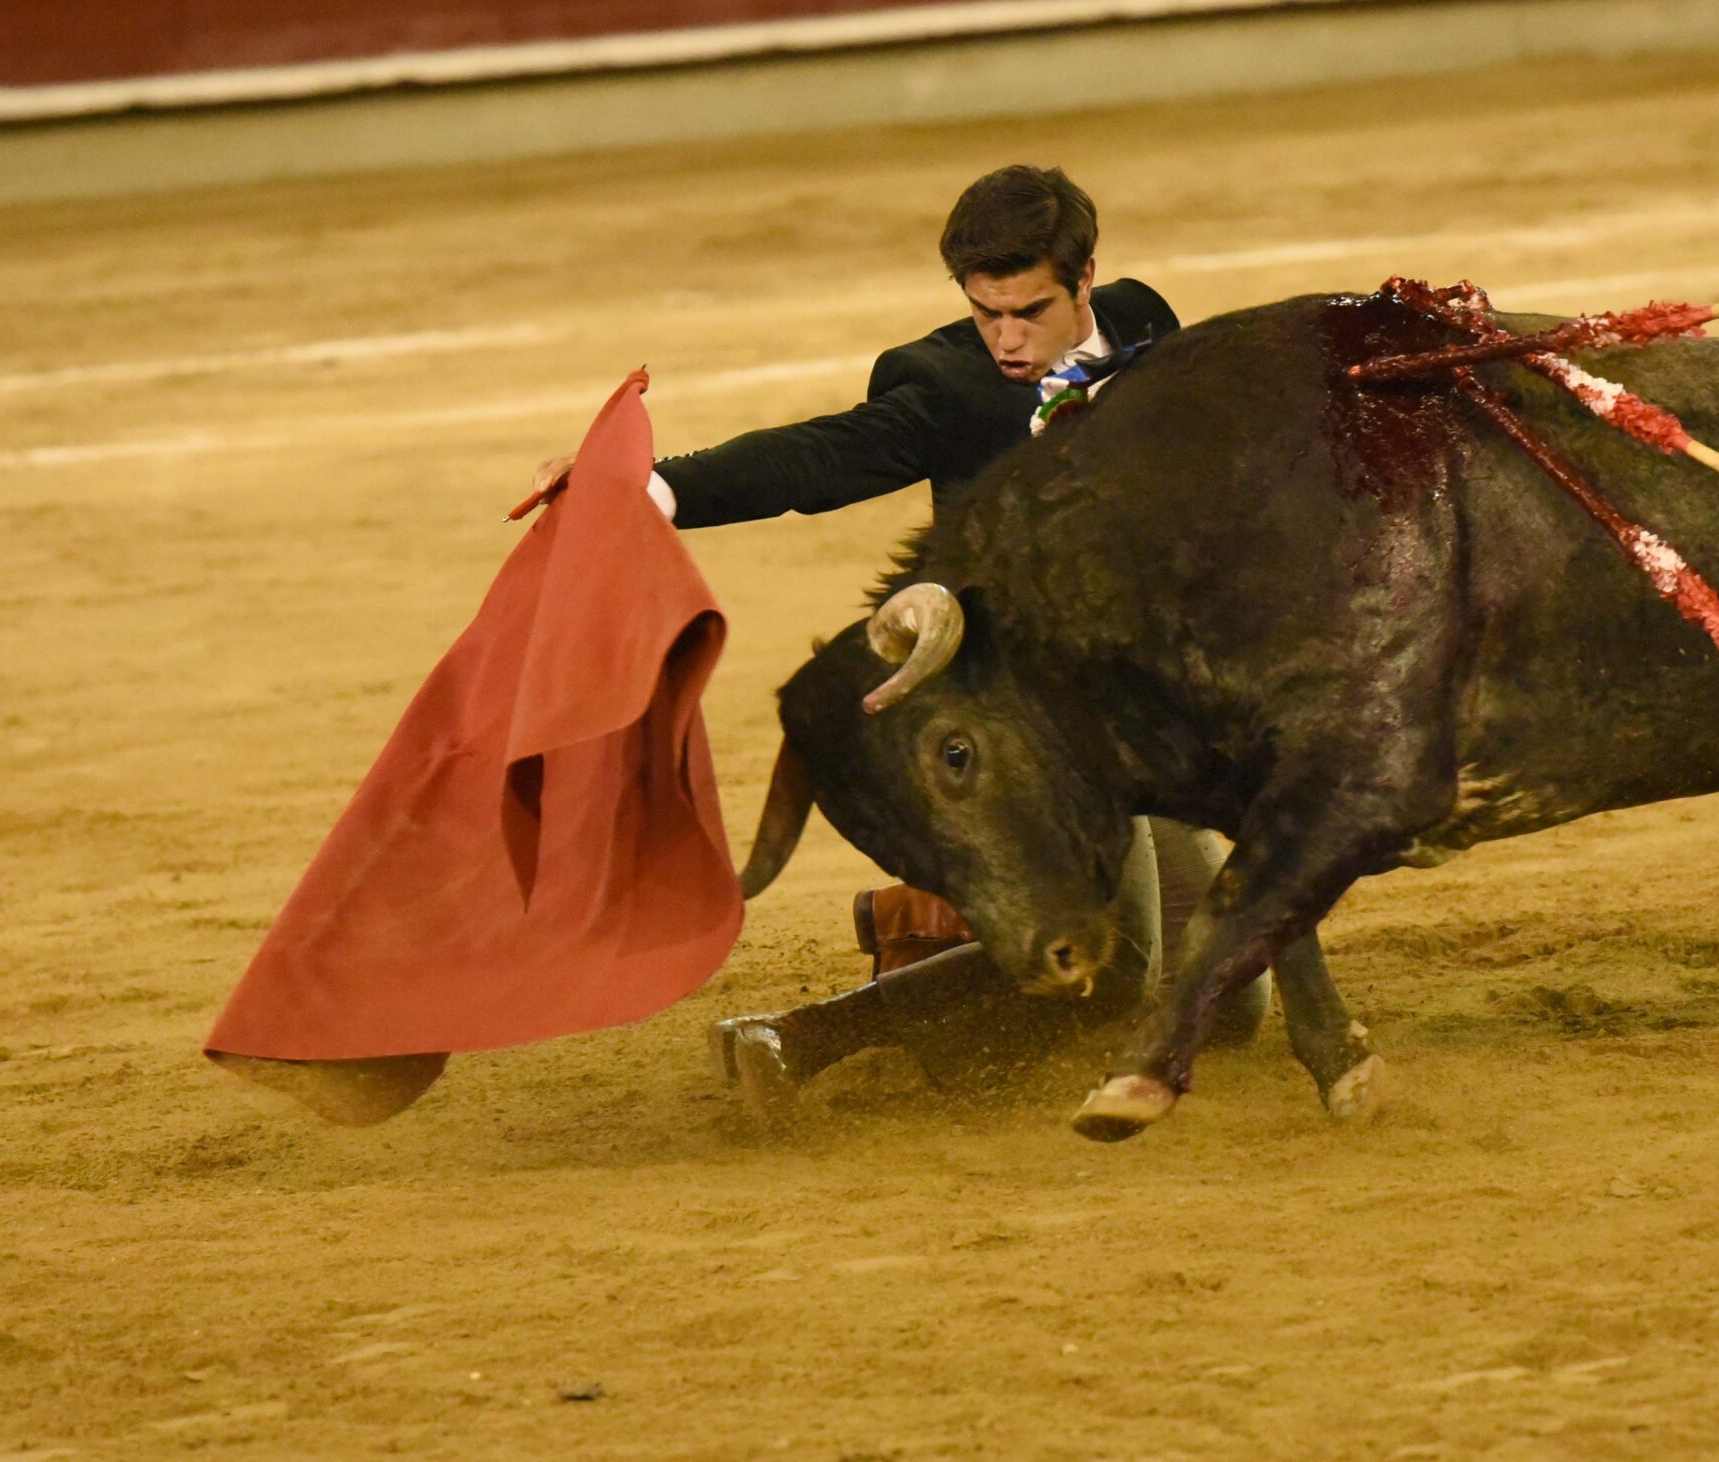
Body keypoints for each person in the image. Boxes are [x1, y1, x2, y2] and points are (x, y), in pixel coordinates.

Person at [522, 165, 1323, 1116]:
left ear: (1088, 280)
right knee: (1112, 969)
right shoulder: (947, 387)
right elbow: (818, 455)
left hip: (1147, 703)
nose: (1007, 339)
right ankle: (798, 1037)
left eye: (1028, 310)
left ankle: (920, 924)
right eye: (986, 313)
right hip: (1028, 725)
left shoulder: (1148, 323)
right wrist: (650, 487)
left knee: (1229, 1006)